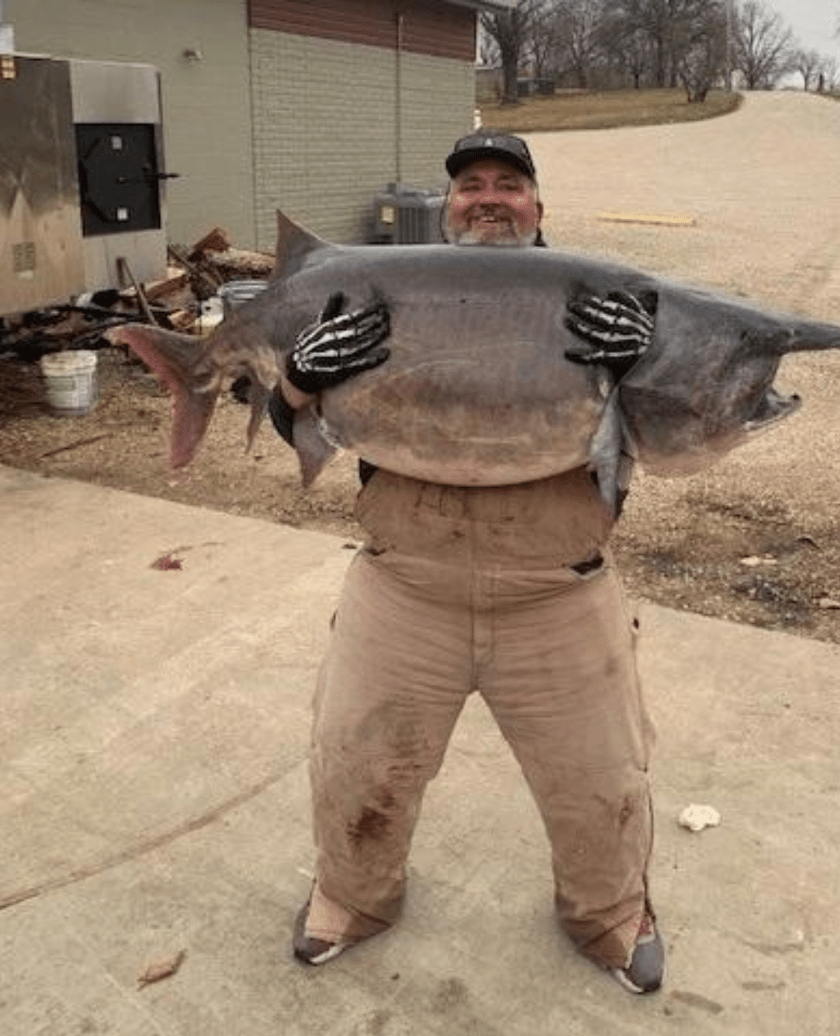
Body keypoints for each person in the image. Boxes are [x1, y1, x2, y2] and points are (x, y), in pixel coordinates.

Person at [267, 131, 665, 995]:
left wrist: (646, 363)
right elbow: (289, 419)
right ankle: (352, 895)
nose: (488, 198)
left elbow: (674, 431)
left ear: (538, 207)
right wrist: (296, 378)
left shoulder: (602, 305)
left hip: (558, 591)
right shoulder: (383, 295)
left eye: (508, 184)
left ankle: (608, 911)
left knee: (601, 779)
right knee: (357, 763)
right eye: (470, 185)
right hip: (403, 583)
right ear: (447, 208)